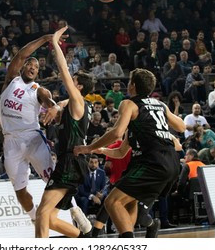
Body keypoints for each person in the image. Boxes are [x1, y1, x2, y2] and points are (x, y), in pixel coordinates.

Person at [0, 27, 91, 233]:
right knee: (20, 192)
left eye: (35, 66)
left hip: (32, 138)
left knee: (54, 179)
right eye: (29, 64)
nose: (32, 67)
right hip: (10, 142)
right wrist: (45, 38)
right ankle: (35, 218)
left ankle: (75, 209)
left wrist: (54, 106)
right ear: (22, 67)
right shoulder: (11, 81)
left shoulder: (39, 89)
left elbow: (48, 101)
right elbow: (21, 54)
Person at [74, 68, 185, 238]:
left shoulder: (129, 104)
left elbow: (116, 133)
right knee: (129, 204)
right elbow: (181, 127)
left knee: (112, 201)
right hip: (171, 163)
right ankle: (129, 236)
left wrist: (88, 148)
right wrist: (102, 150)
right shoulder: (160, 105)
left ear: (132, 85)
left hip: (152, 161)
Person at [35, 26, 94, 238]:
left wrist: (56, 42)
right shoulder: (75, 104)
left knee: (42, 213)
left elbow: (63, 69)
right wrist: (57, 107)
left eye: (74, 81)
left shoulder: (78, 101)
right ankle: (85, 239)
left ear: (78, 87)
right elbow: (62, 103)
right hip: (71, 162)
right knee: (50, 219)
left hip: (70, 162)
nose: (70, 82)